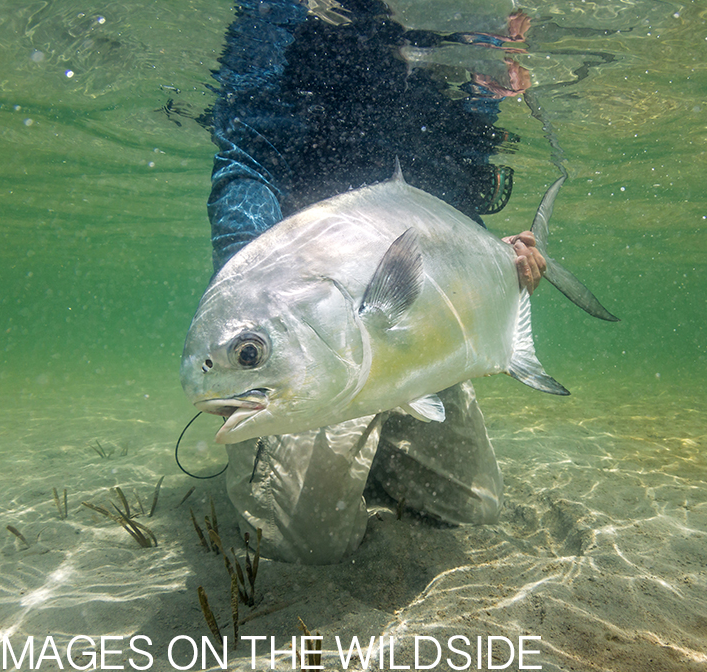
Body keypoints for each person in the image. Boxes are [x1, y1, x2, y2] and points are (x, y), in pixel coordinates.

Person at [203, 0, 544, 564]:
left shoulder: (468, 52)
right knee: (305, 543)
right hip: (307, 335)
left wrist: (491, 260)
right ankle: (321, 423)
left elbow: (450, 179)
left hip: (405, 328)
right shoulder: (286, 22)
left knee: (471, 509)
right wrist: (254, 304)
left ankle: (376, 424)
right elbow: (248, 155)